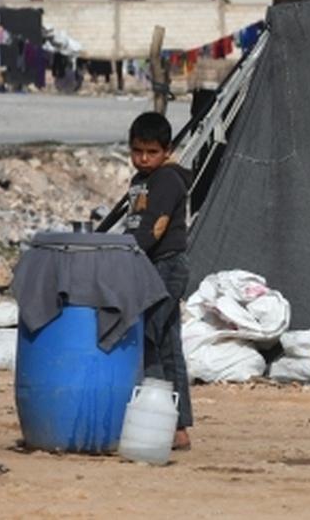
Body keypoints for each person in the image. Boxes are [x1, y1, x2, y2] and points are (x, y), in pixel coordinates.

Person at [125, 111, 194, 451]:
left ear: (167, 150)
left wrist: (125, 253)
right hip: (152, 266)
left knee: (148, 341)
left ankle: (158, 421)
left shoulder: (167, 180)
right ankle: (178, 428)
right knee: (167, 345)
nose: (144, 158)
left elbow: (155, 227)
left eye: (152, 152)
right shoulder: (141, 181)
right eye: (138, 151)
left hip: (166, 266)